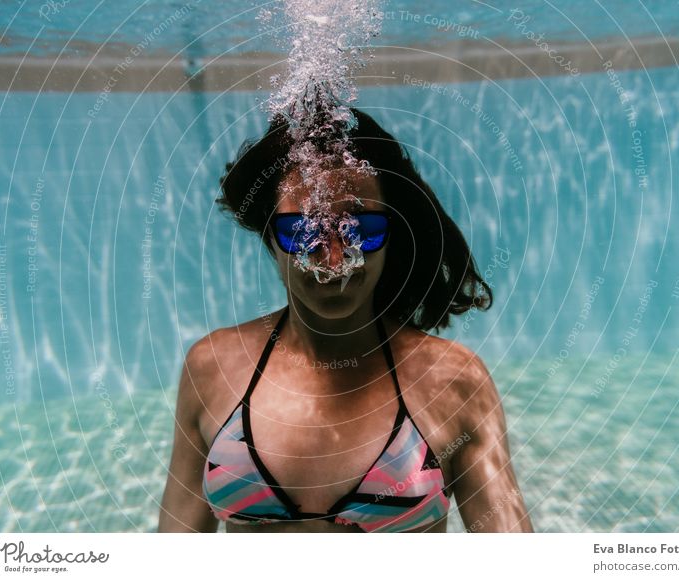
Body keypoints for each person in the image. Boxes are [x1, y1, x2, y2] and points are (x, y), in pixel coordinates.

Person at [157, 108, 533, 533]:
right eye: (303, 232)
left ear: (391, 235)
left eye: (361, 229)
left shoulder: (452, 380)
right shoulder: (212, 367)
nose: (335, 261)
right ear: (270, 239)